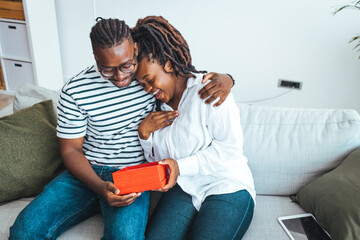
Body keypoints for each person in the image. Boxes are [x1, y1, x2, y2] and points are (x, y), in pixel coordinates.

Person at [9, 18, 234, 240]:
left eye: (127, 66)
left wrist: (228, 79)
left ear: (135, 48)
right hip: (86, 172)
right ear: (95, 57)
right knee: (24, 231)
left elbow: (183, 75)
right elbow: (70, 150)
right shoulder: (75, 90)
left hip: (133, 174)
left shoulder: (147, 76)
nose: (120, 77)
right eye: (107, 69)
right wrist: (99, 186)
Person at [133, 16, 256, 240]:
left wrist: (179, 166)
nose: (148, 89)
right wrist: (145, 135)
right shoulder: (154, 109)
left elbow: (229, 151)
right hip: (185, 188)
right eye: (142, 84)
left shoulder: (210, 90)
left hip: (227, 184)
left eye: (150, 79)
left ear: (168, 63)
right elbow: (159, 165)